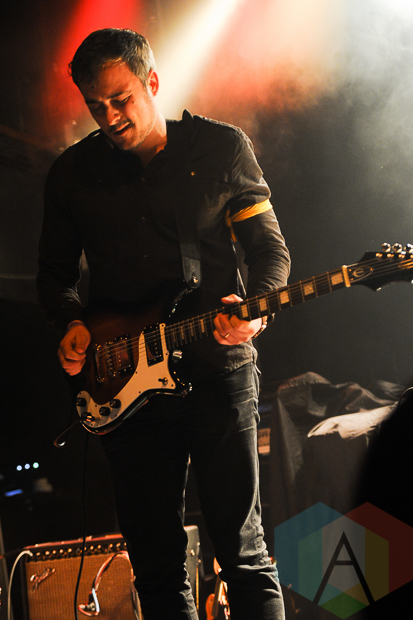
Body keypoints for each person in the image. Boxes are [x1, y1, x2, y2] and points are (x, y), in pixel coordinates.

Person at [37, 28, 290, 620]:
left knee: (243, 555)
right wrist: (71, 322)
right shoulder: (71, 174)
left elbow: (269, 252)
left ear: (151, 81)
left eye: (120, 99)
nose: (110, 117)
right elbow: (53, 277)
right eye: (95, 106)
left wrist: (256, 312)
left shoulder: (220, 148)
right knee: (155, 568)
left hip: (217, 370)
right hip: (125, 387)